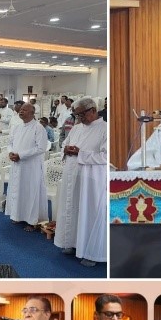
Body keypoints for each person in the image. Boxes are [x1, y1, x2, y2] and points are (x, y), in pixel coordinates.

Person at [54, 97, 107, 267]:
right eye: (76, 115)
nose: (79, 118)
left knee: (88, 212)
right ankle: (71, 242)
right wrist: (66, 149)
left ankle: (91, 252)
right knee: (72, 208)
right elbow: (65, 143)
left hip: (91, 180)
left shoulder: (105, 129)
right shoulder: (76, 128)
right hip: (72, 174)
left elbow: (106, 156)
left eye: (81, 114)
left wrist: (81, 153)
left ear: (93, 110)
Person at [4, 102, 48, 231]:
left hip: (31, 166)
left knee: (30, 192)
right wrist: (11, 152)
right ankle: (18, 215)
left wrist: (21, 155)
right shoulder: (17, 127)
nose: (21, 111)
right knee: (17, 190)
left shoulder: (38, 128)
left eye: (24, 109)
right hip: (17, 164)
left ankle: (32, 221)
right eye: (21, 109)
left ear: (32, 113)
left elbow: (41, 148)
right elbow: (10, 143)